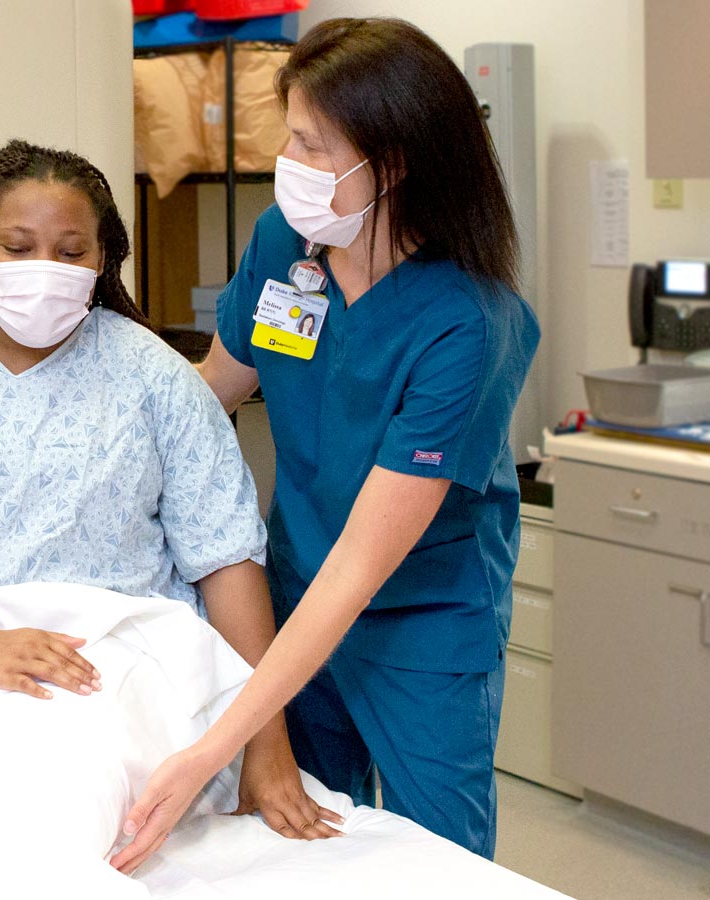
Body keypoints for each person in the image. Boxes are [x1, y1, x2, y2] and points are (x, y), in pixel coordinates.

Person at [0, 139, 340, 846]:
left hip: (113, 651)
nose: (43, 270)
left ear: (100, 260)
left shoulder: (154, 376)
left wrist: (268, 748)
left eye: (69, 250)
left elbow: (227, 560)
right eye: (17, 246)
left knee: (50, 793)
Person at [112, 17, 540, 871]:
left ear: (394, 159)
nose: (290, 165)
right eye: (290, 139)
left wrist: (218, 744)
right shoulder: (287, 243)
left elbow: (360, 568)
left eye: (312, 145)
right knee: (301, 844)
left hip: (422, 617)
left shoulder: (467, 324)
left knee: (436, 861)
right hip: (297, 581)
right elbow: (214, 393)